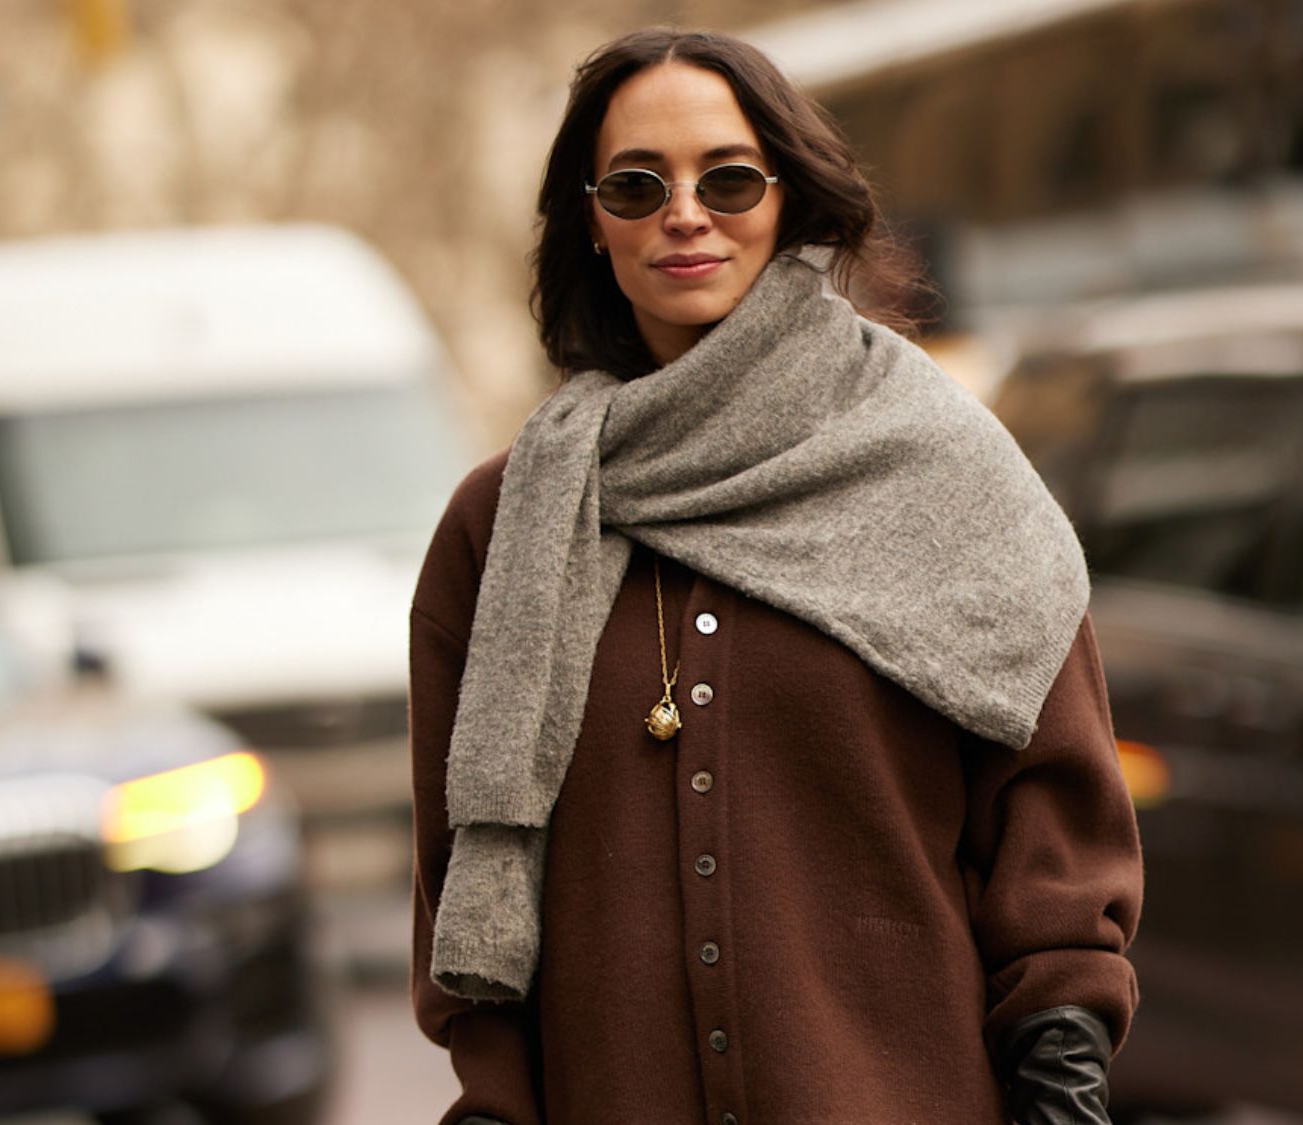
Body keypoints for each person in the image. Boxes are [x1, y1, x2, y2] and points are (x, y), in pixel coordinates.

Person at [409, 27, 1143, 1125]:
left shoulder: (943, 471)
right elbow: (458, 882)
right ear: (591, 225)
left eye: (729, 177)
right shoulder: (503, 525)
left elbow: (1053, 828)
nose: (684, 213)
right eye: (635, 184)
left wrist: (1059, 1075)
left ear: (790, 202)